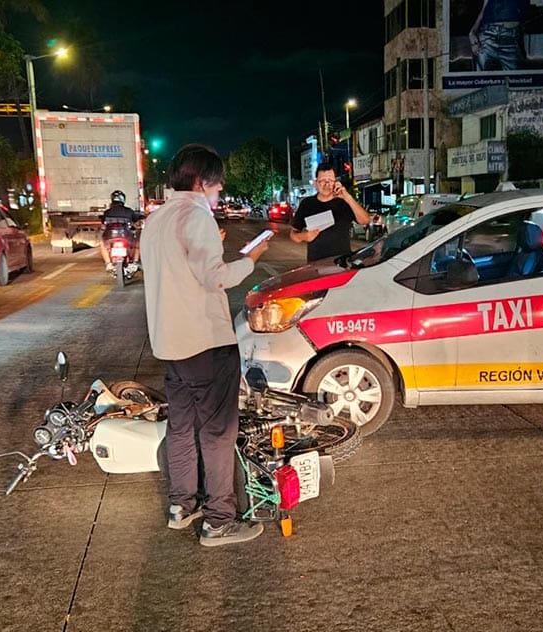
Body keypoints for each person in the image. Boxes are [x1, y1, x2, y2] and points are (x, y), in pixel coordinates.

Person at [139, 143, 269, 547]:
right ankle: (219, 521)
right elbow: (216, 278)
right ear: (201, 181)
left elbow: (180, 268)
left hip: (170, 344)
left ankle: (182, 506)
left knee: (181, 427)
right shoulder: (197, 217)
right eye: (216, 186)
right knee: (217, 433)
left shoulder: (157, 220)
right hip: (204, 344)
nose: (218, 193)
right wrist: (252, 258)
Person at [290, 162, 371, 262]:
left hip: (342, 264)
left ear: (336, 182)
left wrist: (348, 197)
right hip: (316, 265)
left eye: (330, 180)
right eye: (322, 181)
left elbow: (365, 220)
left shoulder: (344, 202)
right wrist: (304, 236)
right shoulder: (307, 204)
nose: (326, 184)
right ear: (316, 183)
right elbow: (293, 234)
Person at [469, 0, 529, 71]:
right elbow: (484, 9)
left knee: (515, 79)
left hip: (511, 39)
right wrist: (472, 32)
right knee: (480, 80)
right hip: (487, 36)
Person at [99, 190, 144, 273]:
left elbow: (103, 224)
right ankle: (135, 262)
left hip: (110, 237)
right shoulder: (129, 211)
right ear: (123, 199)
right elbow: (138, 218)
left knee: (102, 245)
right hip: (126, 236)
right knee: (137, 244)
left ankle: (108, 263)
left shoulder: (107, 212)